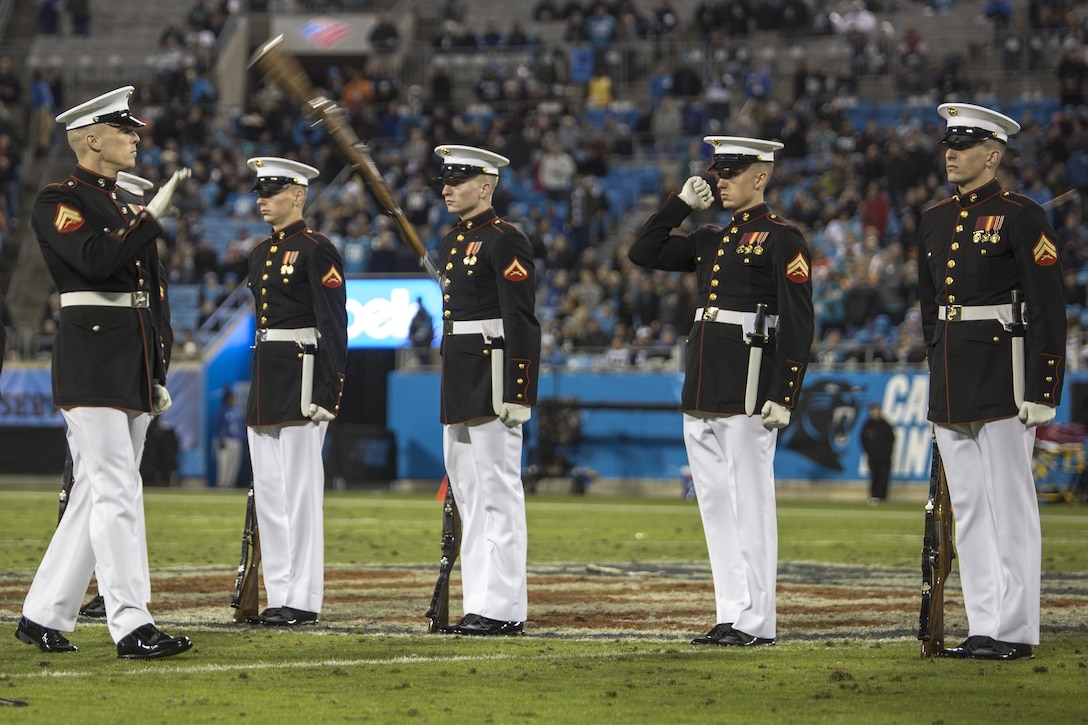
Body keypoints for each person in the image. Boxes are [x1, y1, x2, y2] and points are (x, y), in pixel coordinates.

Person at [17, 86, 192, 659]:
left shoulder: (117, 203)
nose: (136, 137)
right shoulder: (58, 198)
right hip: (92, 357)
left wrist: (157, 368)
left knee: (98, 490)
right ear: (93, 139)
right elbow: (93, 261)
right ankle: (131, 623)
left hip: (130, 356)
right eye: (125, 130)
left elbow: (149, 297)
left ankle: (43, 614)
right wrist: (147, 222)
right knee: (117, 487)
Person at [629, 136, 814, 647]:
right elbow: (642, 250)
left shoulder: (783, 238)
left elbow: (799, 322)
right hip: (704, 385)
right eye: (718, 171)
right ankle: (732, 613)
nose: (721, 179)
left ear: (762, 175)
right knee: (715, 508)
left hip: (749, 387)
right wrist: (680, 204)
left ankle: (759, 621)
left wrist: (786, 391)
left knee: (750, 506)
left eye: (732, 170)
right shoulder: (711, 237)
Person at [918, 103, 1067, 661]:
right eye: (948, 144)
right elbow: (929, 307)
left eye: (964, 144)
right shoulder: (933, 218)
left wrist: (1043, 386)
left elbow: (1049, 304)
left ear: (994, 154)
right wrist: (937, 363)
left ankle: (1017, 629)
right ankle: (984, 625)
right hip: (953, 375)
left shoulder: (1022, 214)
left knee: (1011, 504)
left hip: (1005, 374)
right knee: (973, 509)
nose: (951, 152)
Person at [433, 144, 541, 636]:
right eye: (446, 178)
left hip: (493, 372)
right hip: (459, 371)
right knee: (469, 496)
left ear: (486, 185)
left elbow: (521, 318)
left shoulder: (505, 240)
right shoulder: (453, 240)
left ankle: (504, 607)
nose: (447, 186)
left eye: (459, 178)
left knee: (499, 493)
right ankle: (479, 602)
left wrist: (519, 389)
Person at [243, 157, 348, 628]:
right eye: (260, 191)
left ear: (298, 196)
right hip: (267, 373)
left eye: (274, 190)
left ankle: (302, 599)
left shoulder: (317, 250)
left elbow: (334, 326)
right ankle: (280, 594)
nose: (262, 198)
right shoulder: (260, 253)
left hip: (303, 373)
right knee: (269, 492)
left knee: (300, 494)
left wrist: (327, 392)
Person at [860, 402, 895, 503]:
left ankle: (883, 496)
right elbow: (863, 439)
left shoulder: (885, 425)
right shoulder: (867, 425)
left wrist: (888, 451)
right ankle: (874, 495)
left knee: (883, 476)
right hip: (873, 456)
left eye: (877, 411)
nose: (875, 413)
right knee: (874, 475)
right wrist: (868, 450)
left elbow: (891, 439)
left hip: (884, 457)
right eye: (873, 411)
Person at [213, 388, 246, 488]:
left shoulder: (237, 412)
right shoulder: (221, 411)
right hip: (226, 440)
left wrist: (244, 440)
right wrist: (219, 439)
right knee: (224, 463)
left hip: (237, 440)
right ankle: (221, 483)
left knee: (235, 463)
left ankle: (230, 483)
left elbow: (240, 427)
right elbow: (217, 426)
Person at [408, 295, 435, 365]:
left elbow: (428, 329)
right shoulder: (416, 316)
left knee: (426, 358)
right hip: (417, 343)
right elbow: (412, 328)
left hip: (425, 342)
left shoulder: (426, 315)